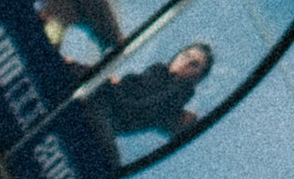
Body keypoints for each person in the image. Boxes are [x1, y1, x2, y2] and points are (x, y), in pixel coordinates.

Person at [87, 40, 215, 145]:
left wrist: (108, 84)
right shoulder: (158, 72)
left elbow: (136, 108)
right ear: (177, 56)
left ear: (198, 78)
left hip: (101, 113)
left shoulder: (178, 94)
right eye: (186, 55)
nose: (186, 63)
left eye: (194, 64)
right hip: (101, 105)